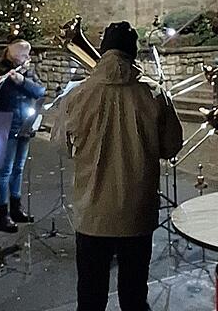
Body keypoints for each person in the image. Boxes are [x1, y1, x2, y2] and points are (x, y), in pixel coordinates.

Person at [54, 21, 183, 311]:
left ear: (102, 52)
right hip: (137, 212)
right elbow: (172, 146)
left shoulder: (77, 95)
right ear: (134, 52)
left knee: (90, 296)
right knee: (134, 295)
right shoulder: (154, 93)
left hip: (92, 214)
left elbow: (62, 146)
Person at [0, 39, 46, 233]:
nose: (28, 58)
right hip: (5, 125)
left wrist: (23, 81)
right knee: (5, 171)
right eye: (25, 55)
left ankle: (16, 208)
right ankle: (3, 214)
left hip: (24, 124)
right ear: (14, 55)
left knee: (19, 167)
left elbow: (40, 91)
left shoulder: (27, 71)